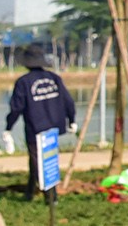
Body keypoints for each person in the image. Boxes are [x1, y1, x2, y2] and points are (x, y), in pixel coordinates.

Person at [5, 45, 76, 201]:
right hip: (54, 127)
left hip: (35, 127)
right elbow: (68, 101)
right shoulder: (54, 78)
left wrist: (8, 127)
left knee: (39, 161)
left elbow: (16, 107)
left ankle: (51, 197)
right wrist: (72, 120)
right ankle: (30, 192)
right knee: (45, 158)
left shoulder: (24, 82)